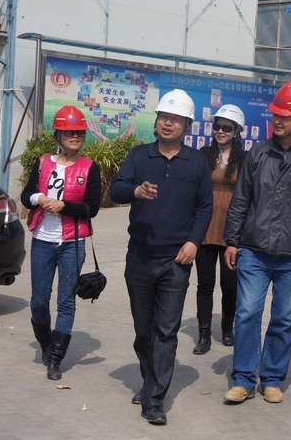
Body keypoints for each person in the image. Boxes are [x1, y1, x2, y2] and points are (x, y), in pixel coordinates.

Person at [222, 81, 291, 404]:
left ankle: (271, 378)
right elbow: (241, 199)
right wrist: (232, 240)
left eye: (285, 115)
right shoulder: (257, 153)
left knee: (285, 318)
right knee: (246, 313)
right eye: (275, 114)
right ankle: (243, 379)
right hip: (253, 250)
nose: (277, 120)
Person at [109, 89, 213, 425]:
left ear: (187, 125)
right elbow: (115, 190)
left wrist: (194, 242)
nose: (168, 123)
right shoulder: (139, 156)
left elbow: (205, 207)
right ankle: (149, 380)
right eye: (164, 117)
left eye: (176, 119)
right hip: (139, 257)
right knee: (144, 331)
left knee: (165, 332)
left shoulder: (196, 161)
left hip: (176, 261)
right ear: (156, 121)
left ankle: (154, 400)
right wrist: (136, 191)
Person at [21, 105, 102, 381]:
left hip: (73, 243)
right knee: (38, 302)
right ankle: (46, 345)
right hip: (43, 241)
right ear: (58, 135)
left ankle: (55, 359)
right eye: (69, 132)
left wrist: (64, 205)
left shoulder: (90, 167)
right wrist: (40, 199)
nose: (75, 136)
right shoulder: (43, 162)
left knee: (66, 302)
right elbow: (26, 195)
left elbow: (92, 208)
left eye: (79, 132)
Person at [192, 104, 246, 355]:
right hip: (204, 227)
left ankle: (227, 327)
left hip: (232, 230)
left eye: (227, 127)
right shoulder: (204, 154)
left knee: (230, 284)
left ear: (237, 131)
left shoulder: (245, 159)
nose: (220, 131)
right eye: (217, 126)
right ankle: (203, 334)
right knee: (205, 284)